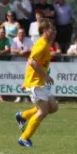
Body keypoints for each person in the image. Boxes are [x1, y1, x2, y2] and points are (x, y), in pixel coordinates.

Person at [15, 19, 59, 147]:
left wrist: (26, 81)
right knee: (43, 111)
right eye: (52, 31)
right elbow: (32, 62)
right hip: (35, 84)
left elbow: (30, 60)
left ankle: (23, 116)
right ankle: (24, 138)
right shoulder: (41, 45)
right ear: (45, 31)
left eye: (55, 31)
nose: (54, 33)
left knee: (53, 107)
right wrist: (44, 76)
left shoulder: (45, 43)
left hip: (39, 82)